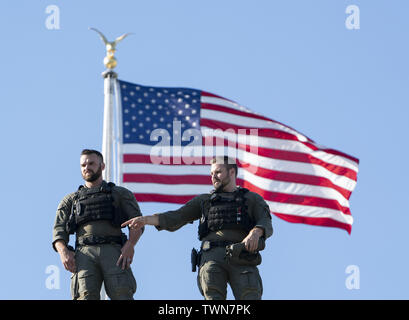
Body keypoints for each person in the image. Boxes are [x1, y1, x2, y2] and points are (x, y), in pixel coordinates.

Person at [122, 156, 273, 300]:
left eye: (218, 172)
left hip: (241, 256)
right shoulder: (205, 201)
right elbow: (177, 216)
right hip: (212, 258)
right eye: (212, 173)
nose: (214, 176)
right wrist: (146, 220)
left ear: (232, 172)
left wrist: (256, 232)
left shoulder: (251, 199)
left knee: (250, 295)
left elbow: (265, 220)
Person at [52, 149, 143, 300]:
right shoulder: (71, 200)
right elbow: (58, 229)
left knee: (122, 293)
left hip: (114, 252)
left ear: (102, 166)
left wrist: (130, 245)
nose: (87, 167)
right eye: (83, 165)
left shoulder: (120, 194)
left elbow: (137, 222)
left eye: (91, 163)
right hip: (84, 254)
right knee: (85, 295)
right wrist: (63, 252)